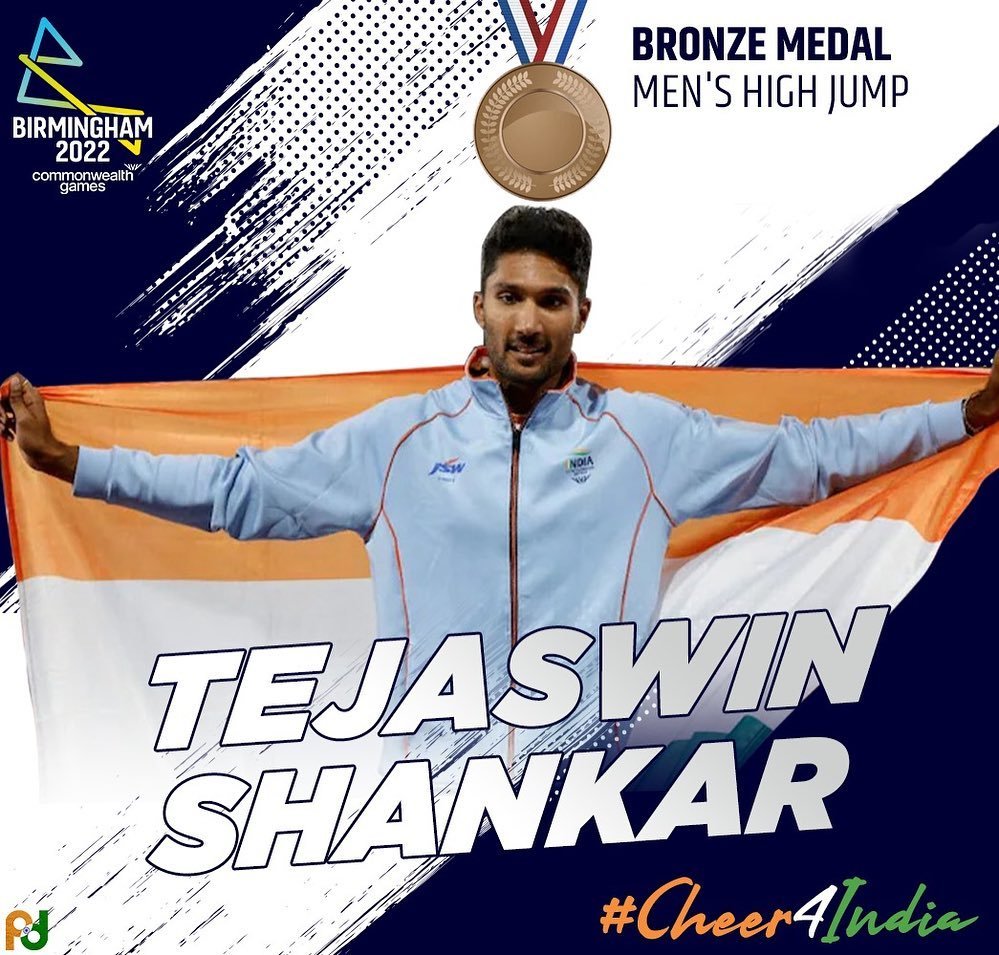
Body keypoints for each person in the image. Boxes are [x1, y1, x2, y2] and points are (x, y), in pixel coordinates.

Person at [3, 206, 998, 758]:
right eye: (510, 296)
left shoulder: (645, 437)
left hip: (586, 798)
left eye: (550, 301)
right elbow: (238, 492)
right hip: (425, 813)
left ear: (581, 313)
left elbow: (811, 454)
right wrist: (70, 462)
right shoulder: (398, 440)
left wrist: (962, 417)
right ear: (478, 305)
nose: (528, 320)